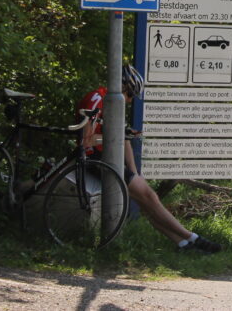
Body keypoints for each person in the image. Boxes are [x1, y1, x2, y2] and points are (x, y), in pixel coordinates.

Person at [78, 64, 222, 253]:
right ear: (122, 86)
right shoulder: (98, 98)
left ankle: (182, 243)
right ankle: (192, 237)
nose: (130, 100)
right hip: (94, 158)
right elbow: (87, 140)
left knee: (148, 202)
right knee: (150, 197)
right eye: (130, 94)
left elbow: (124, 140)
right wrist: (114, 137)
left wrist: (135, 173)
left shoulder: (115, 103)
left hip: (108, 157)